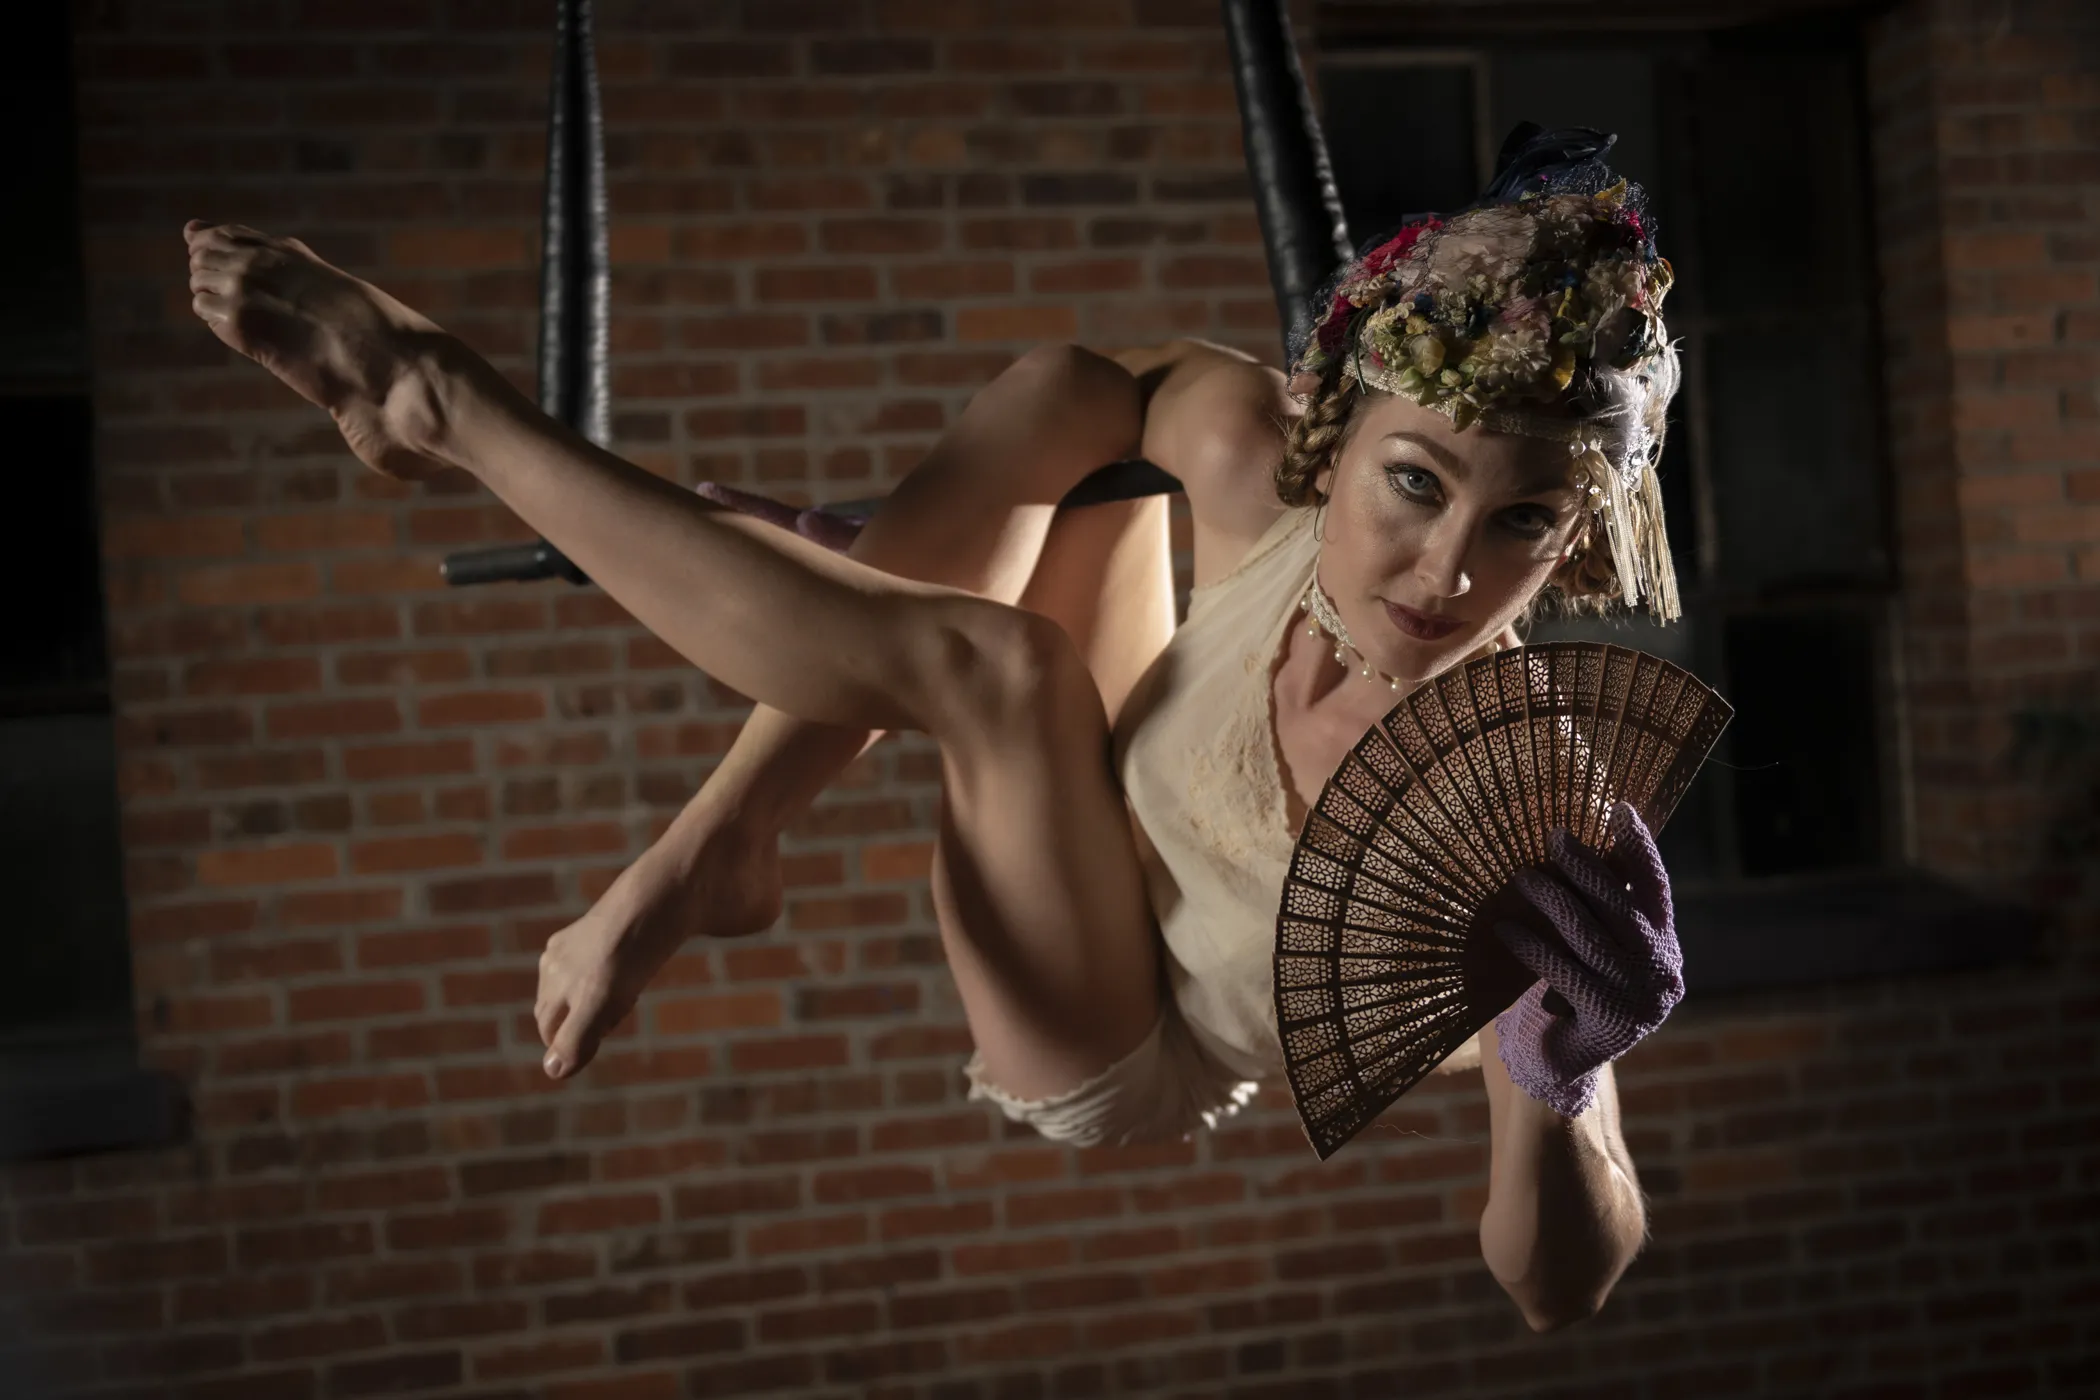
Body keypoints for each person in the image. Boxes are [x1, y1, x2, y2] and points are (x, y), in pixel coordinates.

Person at [182, 146, 1684, 1330]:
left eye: (1523, 524)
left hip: (1131, 1044)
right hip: (1105, 806)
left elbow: (1557, 1283)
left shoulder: (1523, 806)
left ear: (1578, 538)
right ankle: (725, 840)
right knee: (1070, 399)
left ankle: (442, 405)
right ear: (1334, 429)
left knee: (991, 662)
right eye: (1413, 484)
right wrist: (912, 549)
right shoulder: (1252, 465)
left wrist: (1559, 1068)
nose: (1445, 576)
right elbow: (1079, 416)